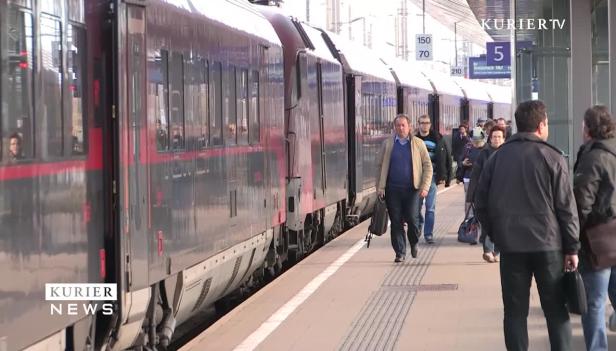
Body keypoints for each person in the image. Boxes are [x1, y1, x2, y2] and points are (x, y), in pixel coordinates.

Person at [475, 100, 580, 351]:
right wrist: (572, 247)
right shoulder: (553, 157)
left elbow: (480, 203)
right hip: (549, 247)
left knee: (514, 313)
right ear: (541, 125)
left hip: (511, 248)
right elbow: (567, 208)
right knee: (556, 311)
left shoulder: (497, 159)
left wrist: (496, 234)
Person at [573, 105, 616, 351]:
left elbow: (581, 204)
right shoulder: (612, 152)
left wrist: (576, 237)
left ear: (588, 128)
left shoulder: (592, 157)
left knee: (595, 303)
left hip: (598, 242)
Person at [376, 114, 432, 262]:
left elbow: (428, 166)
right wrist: (380, 187)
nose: (400, 128)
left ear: (409, 127)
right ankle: (400, 252)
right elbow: (380, 166)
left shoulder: (418, 144)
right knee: (396, 221)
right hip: (393, 189)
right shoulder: (388, 144)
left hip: (412, 190)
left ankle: (413, 242)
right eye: (398, 125)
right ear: (394, 127)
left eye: (403, 125)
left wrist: (425, 186)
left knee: (413, 219)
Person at [467, 125, 506, 263]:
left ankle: (496, 251)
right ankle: (488, 250)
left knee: (501, 224)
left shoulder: (508, 153)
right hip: (487, 194)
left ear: (504, 139)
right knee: (488, 222)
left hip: (503, 196)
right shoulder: (484, 153)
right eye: (494, 137)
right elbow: (476, 175)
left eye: (499, 137)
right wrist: (471, 196)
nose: (496, 139)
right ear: (490, 138)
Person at [415, 114, 452, 244]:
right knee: (416, 208)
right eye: (422, 123)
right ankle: (419, 227)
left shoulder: (437, 138)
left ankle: (428, 234)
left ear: (430, 125)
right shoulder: (414, 139)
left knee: (430, 208)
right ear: (418, 124)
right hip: (417, 178)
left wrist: (445, 177)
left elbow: (446, 157)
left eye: (427, 123)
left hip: (432, 177)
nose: (425, 125)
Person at [461, 127, 486, 210]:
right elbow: (461, 159)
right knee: (469, 201)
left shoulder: (487, 149)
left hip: (483, 179)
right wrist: (463, 163)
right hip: (469, 177)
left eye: (478, 141)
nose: (476, 143)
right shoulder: (468, 147)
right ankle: (469, 220)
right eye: (474, 141)